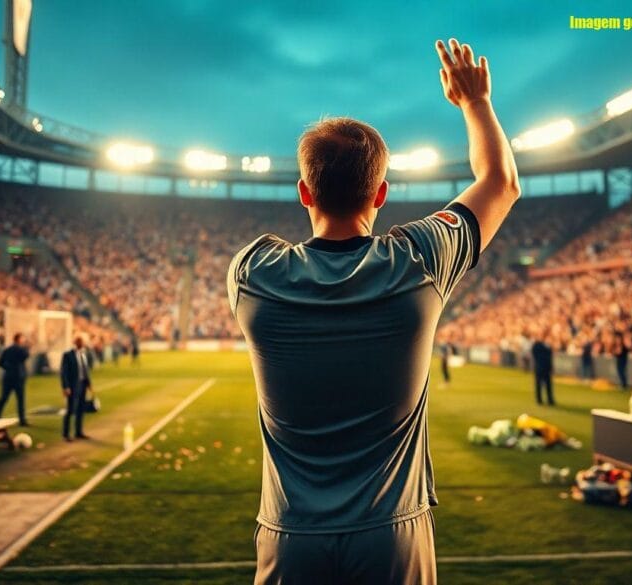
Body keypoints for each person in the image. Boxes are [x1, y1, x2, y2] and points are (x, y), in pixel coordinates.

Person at [228, 38, 519, 584]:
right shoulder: (419, 261)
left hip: (291, 535)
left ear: (303, 193)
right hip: (391, 534)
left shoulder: (253, 274)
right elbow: (501, 183)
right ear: (381, 193)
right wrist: (474, 102)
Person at [60, 334, 92, 442]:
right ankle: (66, 434)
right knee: (70, 410)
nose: (82, 343)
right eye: (80, 341)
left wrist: (89, 384)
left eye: (82, 341)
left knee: (80, 409)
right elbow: (63, 372)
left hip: (82, 384)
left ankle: (79, 432)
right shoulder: (68, 355)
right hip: (73, 385)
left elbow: (85, 370)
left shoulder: (83, 354)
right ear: (76, 342)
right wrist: (65, 387)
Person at [0, 333, 31, 426]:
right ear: (19, 339)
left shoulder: (7, 350)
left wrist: (8, 368)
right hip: (19, 377)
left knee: (4, 397)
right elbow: (26, 355)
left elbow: (0, 362)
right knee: (20, 399)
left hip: (8, 376)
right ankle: (22, 420)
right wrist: (27, 346)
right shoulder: (21, 349)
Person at [531, 336, 554, 406]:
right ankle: (540, 400)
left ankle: (549, 400)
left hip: (546, 368)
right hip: (540, 368)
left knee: (548, 385)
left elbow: (550, 357)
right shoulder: (538, 345)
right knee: (539, 385)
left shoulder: (547, 346)